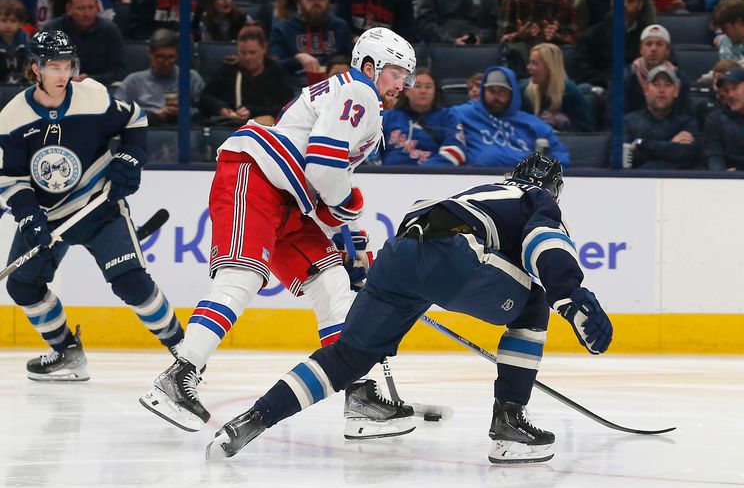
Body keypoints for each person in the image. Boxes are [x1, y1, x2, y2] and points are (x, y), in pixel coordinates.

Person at [204, 153, 613, 464]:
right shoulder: (537, 198)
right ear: (554, 187)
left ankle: (253, 419)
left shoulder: (481, 191)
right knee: (533, 307)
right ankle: (509, 422)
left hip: (400, 253)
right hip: (453, 257)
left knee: (348, 356)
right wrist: (569, 296)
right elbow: (544, 240)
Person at [139, 27, 417, 434]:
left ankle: (358, 393)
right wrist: (348, 208)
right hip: (255, 177)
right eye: (396, 73)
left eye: (406, 77)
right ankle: (177, 375)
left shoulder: (341, 94)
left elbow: (324, 172)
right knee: (242, 277)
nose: (401, 85)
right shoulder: (360, 92)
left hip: (288, 198)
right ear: (371, 66)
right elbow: (324, 169)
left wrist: (355, 238)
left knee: (332, 281)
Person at [0, 30, 185, 381]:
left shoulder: (93, 98)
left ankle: (186, 352)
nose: (62, 75)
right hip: (49, 216)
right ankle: (67, 352)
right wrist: (29, 217)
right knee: (22, 286)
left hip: (99, 207)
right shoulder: (12, 118)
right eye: (53, 66)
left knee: (130, 282)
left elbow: (135, 119)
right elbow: (11, 178)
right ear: (34, 68)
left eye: (67, 65)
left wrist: (130, 157)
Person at [452, 66, 571, 166]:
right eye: (491, 90)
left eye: (502, 91)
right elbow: (438, 121)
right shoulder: (465, 113)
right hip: (474, 178)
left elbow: (559, 152)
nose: (496, 96)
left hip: (524, 183)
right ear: (483, 91)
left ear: (512, 94)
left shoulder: (533, 123)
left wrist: (549, 168)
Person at [268, 0, 353, 89]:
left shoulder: (340, 27)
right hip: (296, 87)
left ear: (329, 0)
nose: (316, 3)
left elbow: (351, 60)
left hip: (335, 87)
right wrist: (297, 59)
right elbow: (273, 67)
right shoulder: (284, 29)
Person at [200, 25, 293, 127]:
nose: (247, 57)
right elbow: (206, 97)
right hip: (231, 126)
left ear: (264, 48)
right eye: (243, 53)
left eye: (252, 53)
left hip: (265, 129)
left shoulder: (277, 73)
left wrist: (252, 111)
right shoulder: (228, 70)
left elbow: (285, 107)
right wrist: (220, 108)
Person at [115, 29, 205, 127]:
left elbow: (205, 112)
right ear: (150, 54)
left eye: (171, 57)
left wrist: (184, 112)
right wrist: (152, 115)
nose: (166, 63)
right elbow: (117, 113)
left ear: (178, 55)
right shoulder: (133, 82)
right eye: (160, 57)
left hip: (182, 131)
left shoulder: (191, 78)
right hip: (145, 131)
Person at [42, 0, 124, 85]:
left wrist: (90, 79)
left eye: (91, 7)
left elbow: (119, 72)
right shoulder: (52, 30)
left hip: (97, 89)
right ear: (69, 9)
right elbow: (42, 67)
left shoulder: (110, 31)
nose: (87, 13)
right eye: (81, 8)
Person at [380, 68, 466, 166]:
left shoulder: (448, 118)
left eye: (428, 87)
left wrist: (423, 172)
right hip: (388, 177)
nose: (423, 91)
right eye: (417, 86)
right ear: (406, 91)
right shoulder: (387, 117)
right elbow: (369, 148)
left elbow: (456, 152)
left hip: (432, 177)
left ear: (435, 91)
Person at [573, 0, 649, 88]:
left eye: (630, 0)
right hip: (603, 90)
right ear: (612, 1)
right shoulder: (592, 35)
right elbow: (580, 72)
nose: (624, 5)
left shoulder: (650, 37)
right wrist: (608, 80)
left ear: (640, 4)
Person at [624, 65, 701, 168]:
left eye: (667, 85)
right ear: (646, 89)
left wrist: (642, 143)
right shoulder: (628, 121)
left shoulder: (686, 122)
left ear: (676, 91)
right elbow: (624, 159)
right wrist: (671, 146)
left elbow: (684, 154)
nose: (661, 90)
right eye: (656, 84)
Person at [521, 43, 593, 131]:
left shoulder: (570, 92)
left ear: (550, 67)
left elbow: (587, 130)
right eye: (529, 62)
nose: (528, 67)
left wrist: (566, 124)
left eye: (534, 63)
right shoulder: (524, 91)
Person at [623, 24, 690, 114]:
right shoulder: (625, 77)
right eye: (648, 44)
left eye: (659, 44)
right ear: (641, 49)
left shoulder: (680, 79)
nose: (653, 49)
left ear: (668, 50)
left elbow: (685, 115)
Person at [0, 0, 29, 85]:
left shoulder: (24, 38)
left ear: (21, 23)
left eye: (13, 21)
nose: (8, 25)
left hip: (21, 84)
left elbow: (29, 64)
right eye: (4, 20)